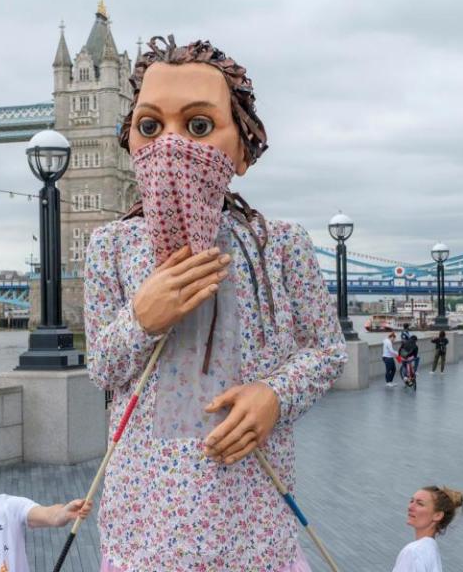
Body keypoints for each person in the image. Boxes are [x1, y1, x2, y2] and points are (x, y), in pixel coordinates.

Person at [84, 36, 346, 571]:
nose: (171, 145)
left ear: (243, 149)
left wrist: (275, 395)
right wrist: (141, 319)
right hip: (145, 521)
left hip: (250, 512)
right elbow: (103, 368)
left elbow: (326, 350)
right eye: (151, 127)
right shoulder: (109, 246)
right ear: (130, 140)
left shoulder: (283, 243)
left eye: (199, 126)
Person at [392, 485, 463, 572]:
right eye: (412, 501)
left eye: (420, 504)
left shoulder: (413, 552)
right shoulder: (431, 551)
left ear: (437, 515)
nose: (410, 507)